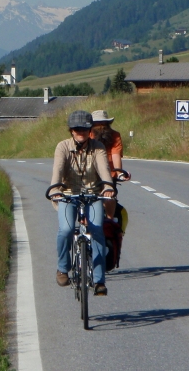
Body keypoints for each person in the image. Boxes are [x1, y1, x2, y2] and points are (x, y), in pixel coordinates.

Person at [49, 110, 115, 296]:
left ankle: (99, 280)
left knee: (97, 230)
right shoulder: (62, 147)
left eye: (85, 129)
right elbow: (58, 170)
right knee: (66, 230)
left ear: (90, 130)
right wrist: (55, 190)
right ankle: (63, 268)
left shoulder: (98, 147)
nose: (81, 132)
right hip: (68, 195)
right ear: (71, 130)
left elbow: (104, 170)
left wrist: (108, 187)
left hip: (93, 195)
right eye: (77, 129)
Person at [89, 110, 131, 220]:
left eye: (103, 123)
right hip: (89, 173)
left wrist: (119, 173)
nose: (100, 126)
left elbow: (115, 155)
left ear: (107, 124)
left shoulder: (114, 136)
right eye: (97, 124)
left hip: (109, 174)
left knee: (109, 198)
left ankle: (109, 221)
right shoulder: (88, 136)